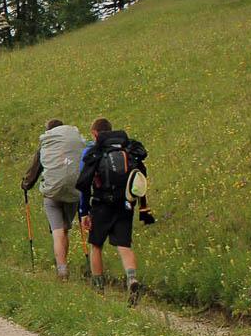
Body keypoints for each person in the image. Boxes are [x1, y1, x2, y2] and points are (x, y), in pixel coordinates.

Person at [75, 118, 155, 305]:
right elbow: (141, 177)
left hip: (102, 204)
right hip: (126, 203)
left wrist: (84, 212)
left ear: (95, 134)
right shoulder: (129, 149)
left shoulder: (96, 151)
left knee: (96, 245)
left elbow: (84, 183)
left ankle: (98, 289)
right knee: (124, 245)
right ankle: (132, 279)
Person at [20, 119, 87, 280]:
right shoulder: (74, 147)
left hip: (52, 194)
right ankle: (65, 263)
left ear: (49, 132)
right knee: (65, 229)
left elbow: (34, 171)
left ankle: (62, 270)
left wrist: (26, 185)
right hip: (73, 192)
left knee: (57, 232)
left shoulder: (46, 147)